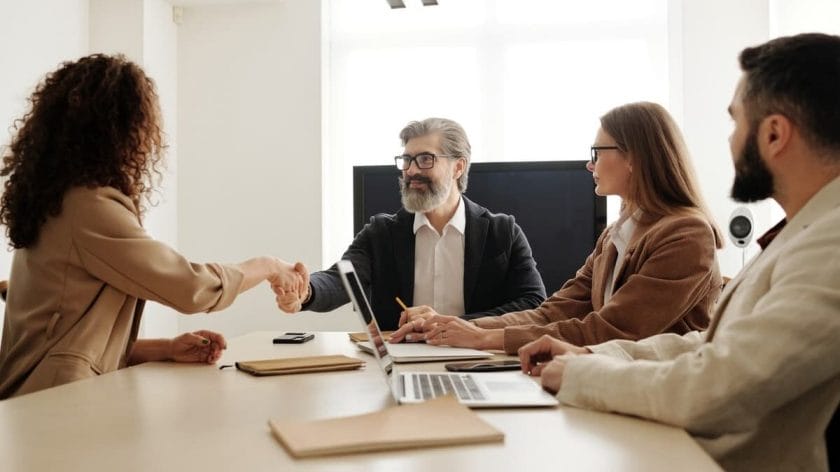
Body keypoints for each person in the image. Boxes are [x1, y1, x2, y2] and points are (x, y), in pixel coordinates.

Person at [518, 33, 840, 471]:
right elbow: (707, 346)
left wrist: (581, 375)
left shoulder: (830, 243)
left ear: (774, 134)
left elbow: (720, 386)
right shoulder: (802, 233)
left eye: (735, 123)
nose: (730, 142)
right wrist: (593, 357)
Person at [0, 54, 307, 399]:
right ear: (120, 129)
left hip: (40, 400)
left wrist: (165, 348)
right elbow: (190, 287)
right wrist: (268, 266)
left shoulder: (55, 201)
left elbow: (67, 337)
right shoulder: (88, 207)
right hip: (52, 406)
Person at [392, 102, 722, 354]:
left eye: (597, 152)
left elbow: (614, 329)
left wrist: (485, 338)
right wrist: (458, 327)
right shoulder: (614, 236)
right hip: (608, 382)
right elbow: (551, 312)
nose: (590, 164)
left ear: (634, 157)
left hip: (656, 400)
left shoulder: (687, 235)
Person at [276, 117, 546, 330]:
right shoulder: (381, 233)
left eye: (425, 159)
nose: (412, 170)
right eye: (406, 160)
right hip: (403, 359)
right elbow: (341, 280)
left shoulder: (503, 232)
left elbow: (533, 303)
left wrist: (454, 325)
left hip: (479, 359)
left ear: (458, 167)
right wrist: (305, 291)